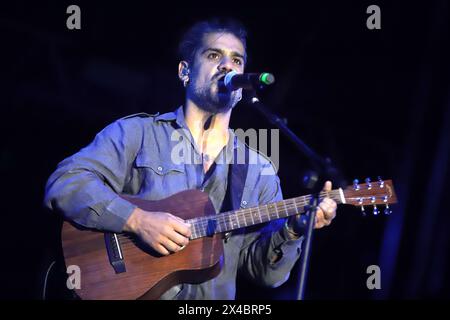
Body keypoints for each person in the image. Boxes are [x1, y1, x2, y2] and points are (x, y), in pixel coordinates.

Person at [44, 18, 337, 300]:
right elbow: (65, 183)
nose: (227, 65)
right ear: (185, 71)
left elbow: (265, 273)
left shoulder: (260, 171)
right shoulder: (138, 133)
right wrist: (136, 219)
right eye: (214, 55)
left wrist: (294, 228)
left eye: (237, 60)